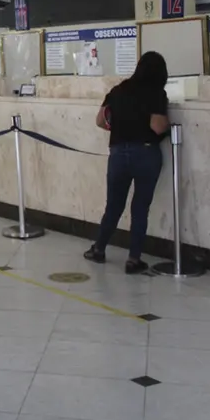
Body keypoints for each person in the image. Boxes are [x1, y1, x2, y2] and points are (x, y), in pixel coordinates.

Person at [84, 51, 170, 274]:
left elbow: (100, 120)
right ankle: (133, 259)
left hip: (119, 153)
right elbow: (158, 126)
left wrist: (122, 128)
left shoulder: (119, 90)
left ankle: (99, 249)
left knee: (113, 205)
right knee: (140, 208)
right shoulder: (156, 93)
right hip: (146, 153)